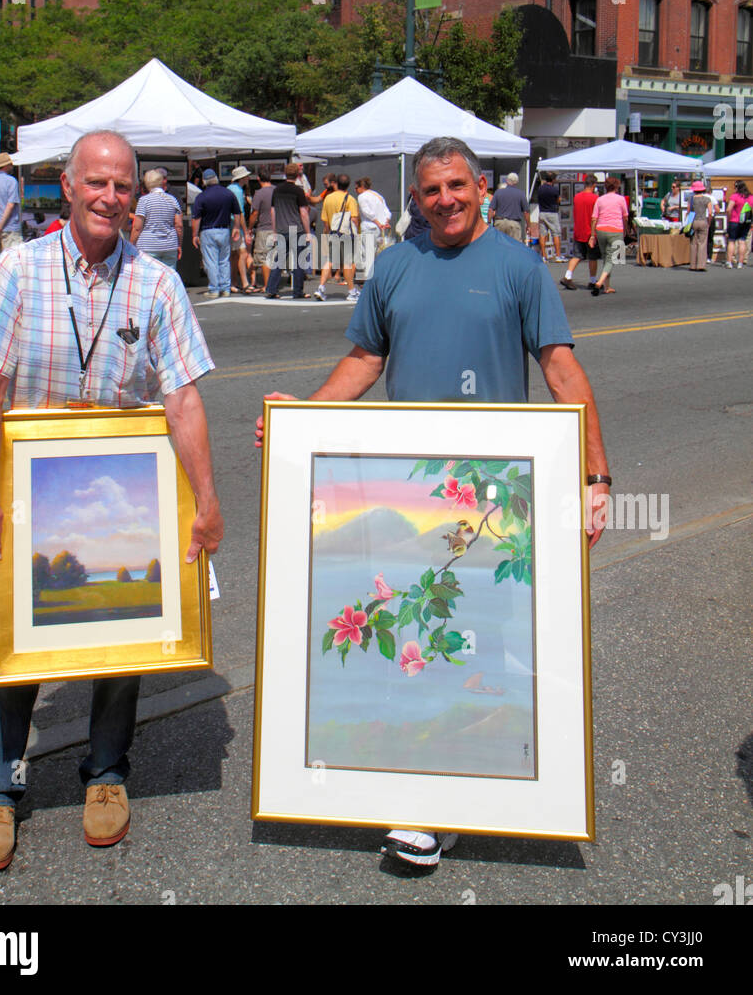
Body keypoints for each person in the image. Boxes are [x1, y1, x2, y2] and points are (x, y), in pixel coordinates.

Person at [255, 135, 610, 870]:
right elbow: (364, 358)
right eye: (430, 191)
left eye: (456, 185)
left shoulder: (518, 266)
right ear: (414, 198)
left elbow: (561, 369)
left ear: (480, 186)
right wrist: (305, 419)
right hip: (412, 498)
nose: (444, 200)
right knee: (421, 636)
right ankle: (424, 788)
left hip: (492, 500)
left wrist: (594, 479)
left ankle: (488, 781)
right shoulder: (394, 266)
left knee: (489, 637)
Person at [0, 130, 223, 873]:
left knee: (122, 637)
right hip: (29, 493)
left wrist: (207, 499)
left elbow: (184, 399)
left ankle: (106, 774)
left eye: (122, 186)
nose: (110, 197)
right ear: (67, 186)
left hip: (124, 489)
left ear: (136, 195)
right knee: (13, 640)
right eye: (96, 183)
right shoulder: (19, 269)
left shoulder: (158, 284)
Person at [191, 168, 243, 298]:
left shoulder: (201, 196)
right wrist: (236, 227)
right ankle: (225, 288)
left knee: (211, 261)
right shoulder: (228, 193)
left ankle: (214, 289)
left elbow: (196, 218)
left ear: (204, 181)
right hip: (224, 230)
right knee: (224, 261)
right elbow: (237, 212)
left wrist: (194, 235)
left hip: (208, 231)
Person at [265, 162, 311, 300]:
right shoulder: (298, 191)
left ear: (285, 174)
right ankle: (298, 291)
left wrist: (274, 231)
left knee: (279, 260)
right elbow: (303, 212)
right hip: (296, 229)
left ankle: (271, 289)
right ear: (297, 175)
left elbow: (272, 211)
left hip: (281, 229)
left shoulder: (277, 190)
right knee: (298, 261)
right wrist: (308, 232)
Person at [316, 174, 360, 301]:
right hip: (345, 234)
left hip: (333, 232)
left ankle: (321, 287)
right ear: (348, 185)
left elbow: (325, 220)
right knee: (347, 262)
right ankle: (352, 291)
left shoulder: (328, 198)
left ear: (336, 183)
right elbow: (354, 219)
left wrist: (328, 231)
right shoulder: (350, 199)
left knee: (329, 261)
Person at [130, 168, 183, 271]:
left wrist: (131, 244)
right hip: (169, 245)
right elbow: (179, 225)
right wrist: (179, 244)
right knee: (169, 280)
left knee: (149, 280)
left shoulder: (144, 201)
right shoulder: (172, 199)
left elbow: (137, 227)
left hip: (147, 246)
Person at [588, 177, 628, 295]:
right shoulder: (621, 199)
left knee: (606, 257)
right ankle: (599, 283)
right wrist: (625, 229)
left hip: (601, 230)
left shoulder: (600, 200)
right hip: (616, 229)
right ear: (617, 186)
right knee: (613, 258)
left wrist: (592, 235)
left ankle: (607, 286)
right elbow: (625, 216)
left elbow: (594, 218)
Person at [561, 175, 600, 290]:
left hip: (579, 230)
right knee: (593, 257)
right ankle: (592, 280)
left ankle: (568, 275)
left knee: (577, 256)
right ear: (594, 185)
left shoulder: (577, 197)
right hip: (590, 232)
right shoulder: (595, 199)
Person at [227, 166, 257, 292]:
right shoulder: (238, 191)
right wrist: (245, 231)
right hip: (237, 227)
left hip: (230, 226)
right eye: (246, 176)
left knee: (234, 255)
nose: (248, 178)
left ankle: (233, 282)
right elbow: (239, 213)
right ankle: (245, 282)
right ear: (242, 178)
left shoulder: (230, 189)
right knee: (243, 253)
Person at [355, 178, 391, 275]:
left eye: (356, 188)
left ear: (361, 187)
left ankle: (368, 278)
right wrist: (385, 221)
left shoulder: (362, 196)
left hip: (369, 227)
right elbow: (387, 211)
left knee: (367, 255)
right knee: (380, 254)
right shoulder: (378, 195)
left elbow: (367, 212)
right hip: (381, 229)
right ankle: (380, 276)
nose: (356, 190)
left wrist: (377, 222)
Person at [249, 168, 276, 292]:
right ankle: (273, 284)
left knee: (265, 258)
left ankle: (267, 285)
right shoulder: (277, 190)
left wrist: (250, 228)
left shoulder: (259, 193)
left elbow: (254, 213)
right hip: (278, 228)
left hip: (264, 228)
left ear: (258, 179)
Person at [487, 171, 528, 242]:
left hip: (500, 223)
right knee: (515, 247)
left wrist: (489, 222)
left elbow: (491, 209)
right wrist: (529, 225)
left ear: (506, 180)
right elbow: (526, 212)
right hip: (514, 224)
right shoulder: (521, 194)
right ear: (516, 182)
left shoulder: (498, 192)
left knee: (499, 245)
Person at [536, 171, 562, 261]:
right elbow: (558, 200)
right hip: (552, 212)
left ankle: (543, 255)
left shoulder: (540, 189)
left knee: (542, 234)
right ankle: (558, 255)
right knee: (556, 233)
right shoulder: (554, 189)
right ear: (553, 180)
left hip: (542, 212)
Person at [688, 180, 712, 272]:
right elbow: (710, 213)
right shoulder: (707, 199)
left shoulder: (691, 199)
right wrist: (709, 222)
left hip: (694, 221)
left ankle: (692, 265)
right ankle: (701, 265)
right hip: (703, 221)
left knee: (693, 243)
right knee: (702, 243)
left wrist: (688, 224)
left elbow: (689, 211)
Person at [725, 181, 750, 268]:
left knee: (731, 241)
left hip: (734, 220)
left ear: (737, 188)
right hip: (746, 222)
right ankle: (740, 263)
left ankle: (729, 262)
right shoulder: (750, 197)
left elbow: (728, 209)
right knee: (742, 241)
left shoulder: (735, 196)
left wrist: (729, 218)